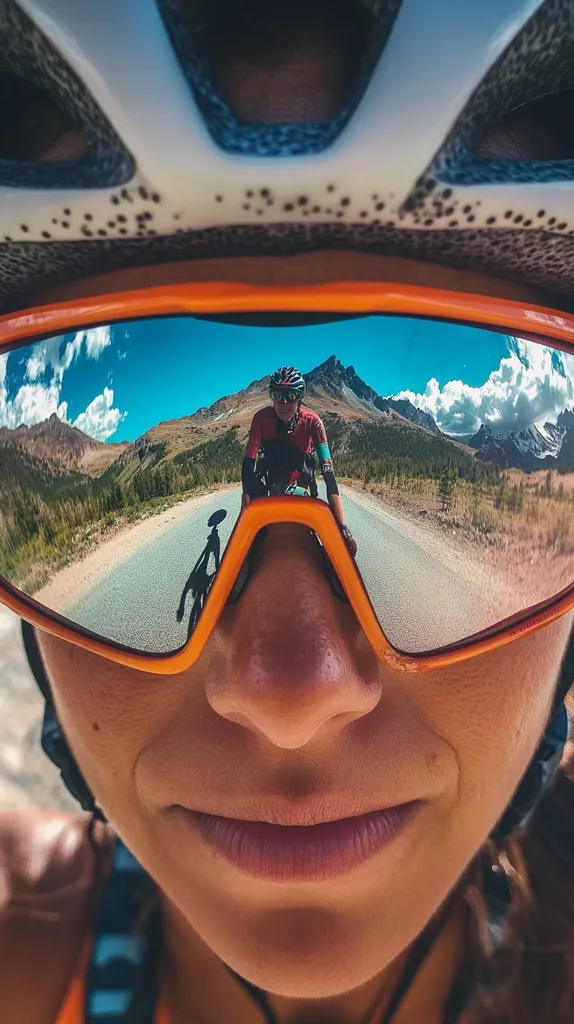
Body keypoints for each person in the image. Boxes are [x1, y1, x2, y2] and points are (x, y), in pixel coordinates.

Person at [0, 3, 574, 1023]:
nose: (292, 693)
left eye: (507, 358)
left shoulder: (307, 430)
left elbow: (321, 483)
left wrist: (331, 508)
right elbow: (264, 479)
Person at [241, 367, 357, 553]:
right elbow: (249, 460)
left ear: (300, 397)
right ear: (271, 396)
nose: (283, 402)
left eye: (291, 395)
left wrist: (340, 526)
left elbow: (328, 471)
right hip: (271, 472)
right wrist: (245, 500)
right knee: (252, 541)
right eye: (277, 395)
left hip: (301, 475)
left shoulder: (313, 421)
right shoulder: (261, 419)